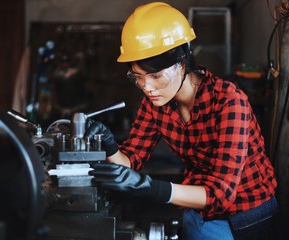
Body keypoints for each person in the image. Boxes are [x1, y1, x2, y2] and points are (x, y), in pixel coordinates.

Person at [85, 2, 281, 240]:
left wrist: (149, 186)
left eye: (156, 76)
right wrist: (110, 145)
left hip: (247, 215)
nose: (147, 87)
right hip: (196, 211)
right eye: (138, 77)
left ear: (182, 63)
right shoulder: (155, 103)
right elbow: (130, 162)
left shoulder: (229, 101)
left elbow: (220, 194)